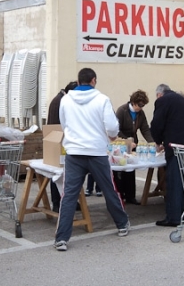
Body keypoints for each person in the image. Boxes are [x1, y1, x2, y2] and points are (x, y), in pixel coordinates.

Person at [54, 68, 130, 251]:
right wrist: (111, 136)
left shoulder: (65, 100)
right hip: (96, 151)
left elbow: (63, 124)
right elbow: (112, 126)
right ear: (94, 80)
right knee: (108, 189)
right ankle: (121, 224)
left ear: (79, 81)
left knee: (69, 194)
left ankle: (62, 238)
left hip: (74, 152)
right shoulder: (102, 99)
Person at [150, 84, 184, 227]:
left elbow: (157, 124)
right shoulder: (182, 100)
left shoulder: (162, 101)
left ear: (159, 94)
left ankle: (174, 217)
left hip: (176, 145)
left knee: (174, 181)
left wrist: (158, 141)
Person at [114, 89, 153, 205]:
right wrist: (127, 141)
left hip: (133, 143)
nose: (140, 108)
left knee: (131, 170)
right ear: (133, 102)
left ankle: (130, 196)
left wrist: (152, 143)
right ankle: (120, 196)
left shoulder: (141, 113)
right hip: (121, 143)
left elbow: (145, 129)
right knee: (121, 170)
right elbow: (116, 129)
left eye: (143, 105)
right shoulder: (122, 110)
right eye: (139, 105)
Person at [47, 81, 78, 213]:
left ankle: (70, 201)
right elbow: (59, 125)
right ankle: (57, 203)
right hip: (57, 141)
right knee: (57, 174)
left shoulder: (61, 99)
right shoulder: (60, 101)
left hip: (59, 140)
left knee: (68, 175)